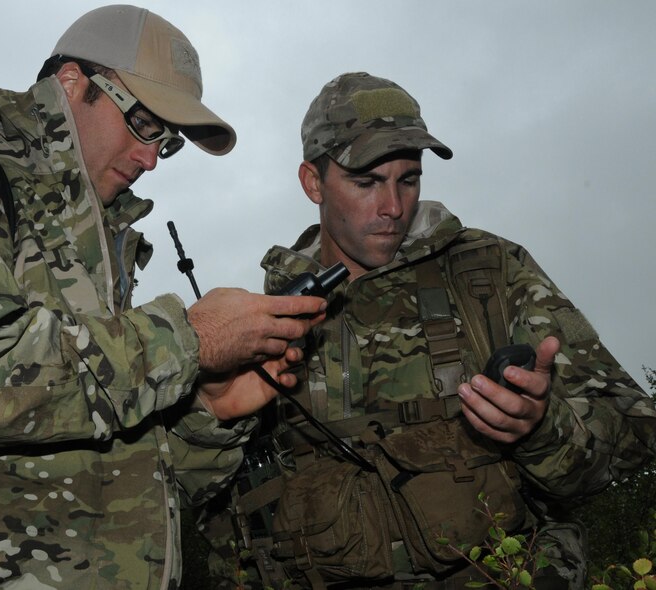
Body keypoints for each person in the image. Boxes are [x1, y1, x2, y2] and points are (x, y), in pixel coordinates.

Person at [0, 5, 327, 589]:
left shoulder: (102, 254)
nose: (153, 157)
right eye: (145, 123)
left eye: (169, 141)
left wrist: (209, 412)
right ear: (71, 83)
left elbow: (126, 480)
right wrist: (189, 339)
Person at [218, 72, 656, 589]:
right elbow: (231, 515)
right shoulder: (265, 315)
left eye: (408, 178)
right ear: (313, 182)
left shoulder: (489, 275)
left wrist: (540, 428)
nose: (393, 207)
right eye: (366, 182)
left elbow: (635, 435)